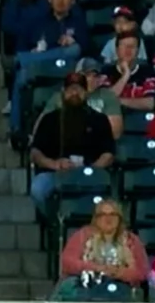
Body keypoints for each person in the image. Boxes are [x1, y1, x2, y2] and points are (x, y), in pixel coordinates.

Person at [8, 0, 90, 137]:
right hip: (43, 68)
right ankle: (16, 129)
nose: (60, 1)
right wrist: (36, 52)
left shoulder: (79, 21)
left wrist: (73, 40)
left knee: (73, 49)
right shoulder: (38, 22)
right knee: (21, 76)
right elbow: (27, 43)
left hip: (70, 69)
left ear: (72, 0)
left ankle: (20, 59)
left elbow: (86, 47)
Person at [27, 72, 117, 210]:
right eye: (71, 90)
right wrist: (54, 164)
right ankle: (55, 220)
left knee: (108, 192)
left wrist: (91, 169)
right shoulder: (50, 119)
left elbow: (108, 154)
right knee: (38, 188)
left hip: (89, 173)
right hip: (56, 173)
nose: (75, 93)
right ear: (63, 92)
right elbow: (35, 153)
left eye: (79, 90)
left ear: (86, 93)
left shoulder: (99, 119)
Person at [56, 198, 149, 298]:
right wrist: (97, 268)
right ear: (96, 219)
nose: (108, 218)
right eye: (103, 215)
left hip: (121, 288)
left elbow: (142, 272)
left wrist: (119, 272)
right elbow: (67, 263)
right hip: (86, 287)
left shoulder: (131, 240)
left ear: (119, 218)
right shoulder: (82, 236)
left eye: (113, 214)